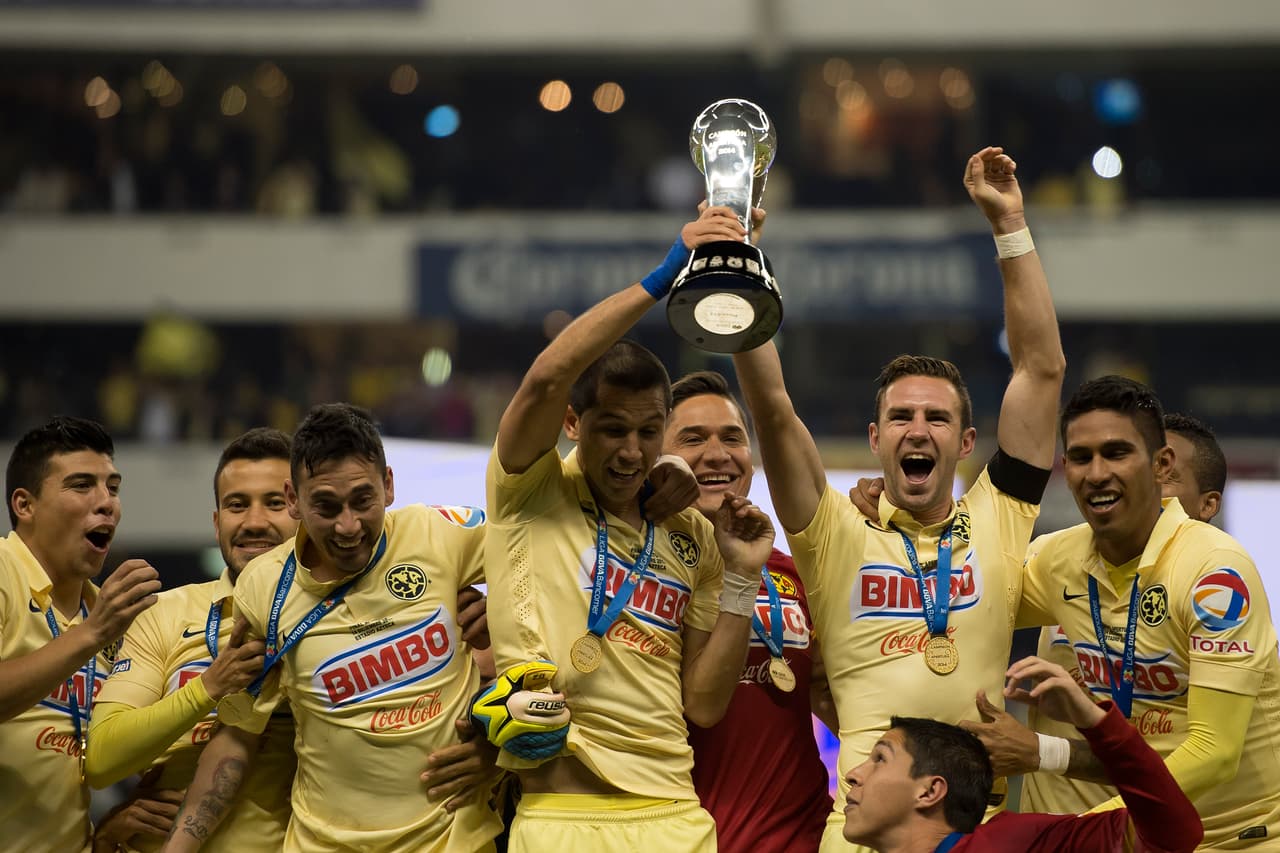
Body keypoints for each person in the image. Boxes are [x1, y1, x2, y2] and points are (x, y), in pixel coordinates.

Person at [734, 146, 1065, 851]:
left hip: (981, 831)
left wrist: (1009, 224)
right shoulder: (833, 533)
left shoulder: (998, 516)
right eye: (903, 418)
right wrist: (742, 268)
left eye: (938, 418)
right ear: (875, 438)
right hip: (861, 836)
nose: (920, 429)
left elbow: (1041, 369)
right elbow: (770, 406)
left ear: (967, 439)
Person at [482, 206, 777, 851]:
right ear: (571, 424)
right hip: (561, 813)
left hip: (675, 813)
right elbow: (547, 376)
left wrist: (743, 577)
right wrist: (667, 274)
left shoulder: (689, 533)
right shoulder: (530, 489)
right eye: (612, 430)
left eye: (649, 433)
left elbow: (701, 703)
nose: (631, 453)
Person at [160, 404, 502, 852]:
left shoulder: (439, 532)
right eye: (326, 505)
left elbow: (549, 559)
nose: (348, 526)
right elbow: (239, 736)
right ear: (294, 499)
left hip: (453, 840)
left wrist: (501, 613)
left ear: (390, 485)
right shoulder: (263, 589)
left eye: (363, 500)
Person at [975, 377, 1280, 848]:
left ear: (1161, 466)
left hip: (1224, 839)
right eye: (1080, 457)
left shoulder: (1215, 572)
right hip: (1117, 835)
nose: (1096, 473)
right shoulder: (1056, 559)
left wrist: (1084, 829)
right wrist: (886, 515)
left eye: (1116, 453)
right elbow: (956, 607)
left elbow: (1214, 752)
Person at [87, 428, 298, 852]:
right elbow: (102, 760)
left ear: (303, 511)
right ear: (218, 521)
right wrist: (209, 687)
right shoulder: (164, 612)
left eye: (274, 504)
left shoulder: (337, 615)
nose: (254, 522)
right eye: (237, 505)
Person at [1018, 411, 1229, 818]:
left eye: (1165, 475)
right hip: (1059, 833)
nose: (1144, 484)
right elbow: (963, 596)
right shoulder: (1056, 557)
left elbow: (1208, 754)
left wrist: (1045, 754)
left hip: (1178, 834)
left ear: (1208, 506)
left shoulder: (1216, 586)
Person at [664, 369, 833, 852]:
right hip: (685, 838)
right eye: (692, 438)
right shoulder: (635, 576)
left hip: (805, 836)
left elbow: (834, 693)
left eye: (732, 438)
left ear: (751, 462)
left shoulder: (793, 572)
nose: (717, 453)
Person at [841, 655, 1203, 853]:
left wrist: (1095, 721)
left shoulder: (1012, 843)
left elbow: (1174, 836)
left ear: (930, 791)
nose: (853, 773)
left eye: (880, 758)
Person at [0, 416, 161, 852]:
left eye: (113, 487)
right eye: (81, 485)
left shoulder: (107, 616)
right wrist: (90, 635)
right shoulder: (4, 573)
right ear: (24, 505)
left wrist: (104, 832)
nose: (106, 502)